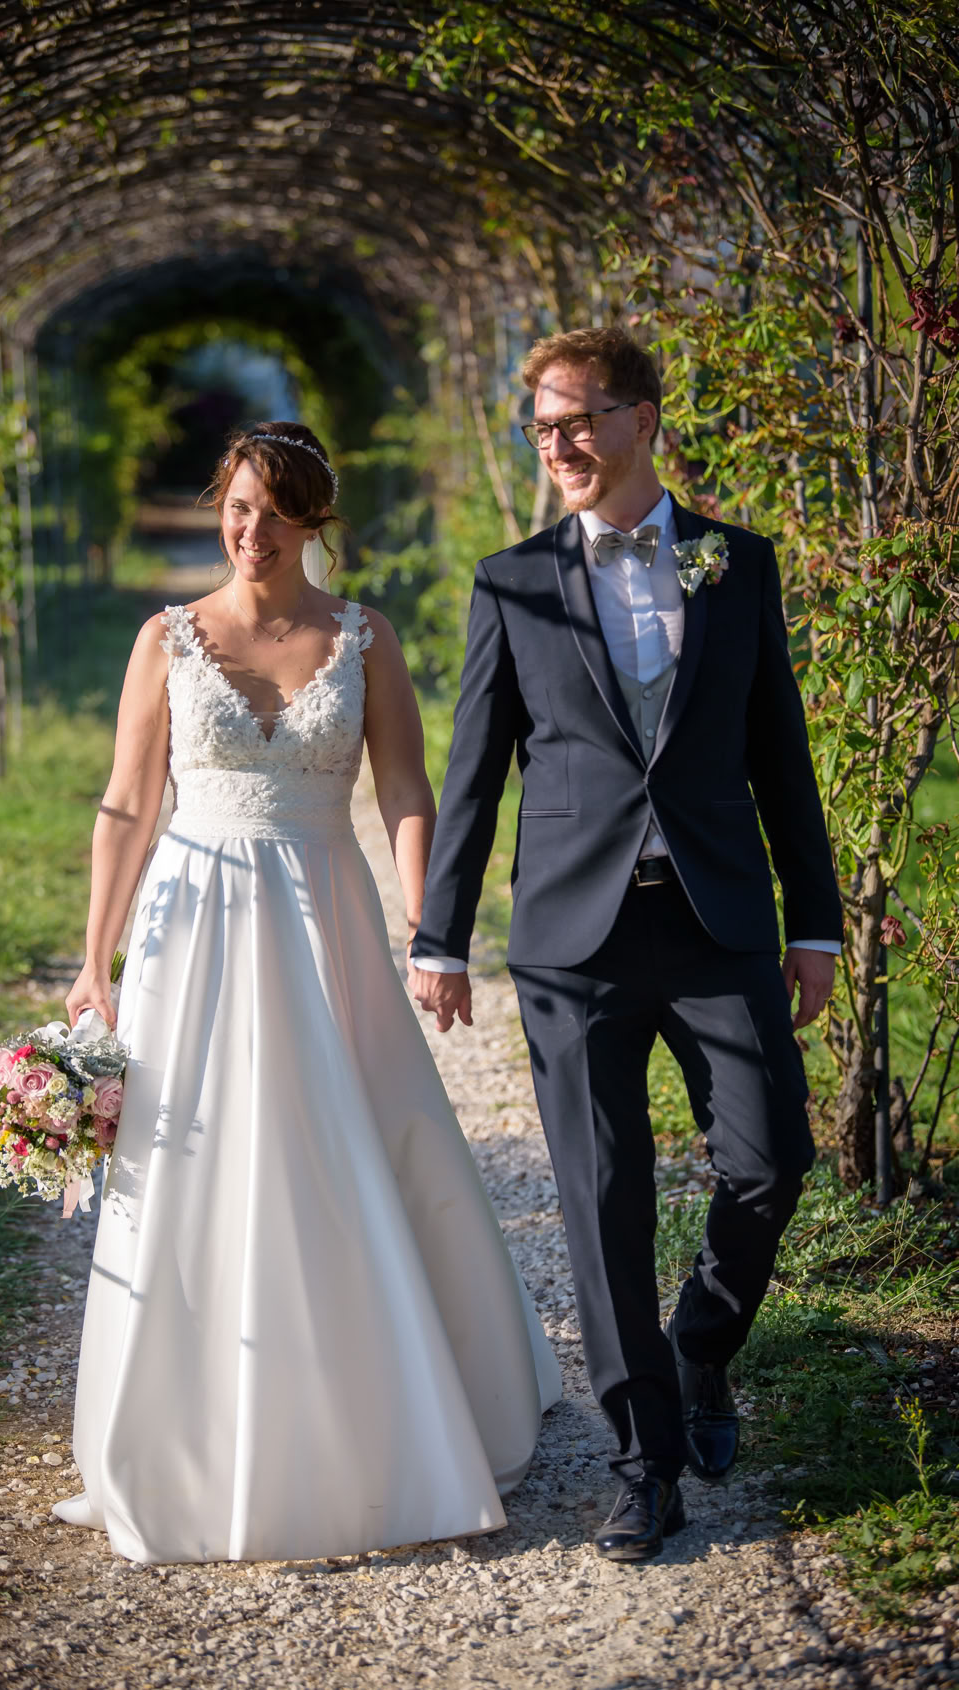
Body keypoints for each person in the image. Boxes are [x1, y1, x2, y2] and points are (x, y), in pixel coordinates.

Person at [51, 421, 561, 1565]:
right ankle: (188, 1430)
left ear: (315, 523)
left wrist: (435, 929)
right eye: (236, 509)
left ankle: (388, 1412)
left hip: (323, 911)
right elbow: (128, 807)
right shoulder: (166, 638)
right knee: (194, 1159)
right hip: (193, 926)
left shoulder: (365, 640)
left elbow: (408, 789)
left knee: (354, 1142)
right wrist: (97, 959)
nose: (251, 532)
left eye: (276, 514)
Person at [410, 328, 842, 1564]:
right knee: (604, 1203)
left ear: (645, 419)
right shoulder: (514, 582)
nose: (560, 448)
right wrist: (441, 932)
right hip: (570, 936)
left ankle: (700, 1348)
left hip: (718, 920)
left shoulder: (735, 566)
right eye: (542, 431)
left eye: (580, 422)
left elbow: (782, 759)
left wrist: (811, 919)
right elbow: (475, 773)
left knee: (772, 1160)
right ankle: (641, 1461)